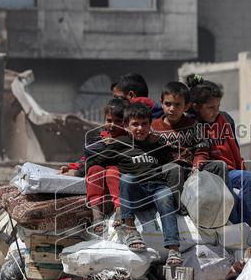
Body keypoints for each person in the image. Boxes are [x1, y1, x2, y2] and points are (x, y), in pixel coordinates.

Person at [85, 103, 183, 266]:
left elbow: (173, 160)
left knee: (165, 194)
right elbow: (93, 163)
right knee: (127, 179)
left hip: (156, 189)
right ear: (126, 126)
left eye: (144, 124)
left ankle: (173, 249)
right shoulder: (119, 144)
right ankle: (131, 230)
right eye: (135, 124)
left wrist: (161, 143)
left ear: (150, 125)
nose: (140, 128)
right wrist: (75, 170)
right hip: (136, 192)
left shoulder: (156, 144)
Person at [187, 76, 251, 225]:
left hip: (231, 173)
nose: (216, 111)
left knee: (248, 178)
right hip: (210, 175)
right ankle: (236, 224)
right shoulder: (192, 125)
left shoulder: (225, 119)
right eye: (211, 108)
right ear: (196, 107)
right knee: (223, 174)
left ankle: (246, 224)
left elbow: (235, 149)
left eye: (218, 106)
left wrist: (241, 166)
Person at [83, 97, 130, 231]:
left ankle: (120, 210)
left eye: (118, 121)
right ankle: (96, 215)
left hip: (118, 170)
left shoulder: (128, 138)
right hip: (99, 168)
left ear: (125, 122)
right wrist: (73, 167)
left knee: (112, 172)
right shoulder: (100, 138)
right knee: (94, 169)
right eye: (109, 120)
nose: (112, 125)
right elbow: (86, 157)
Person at [151, 81, 204, 189]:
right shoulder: (153, 127)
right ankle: (178, 205)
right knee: (175, 170)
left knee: (218, 166)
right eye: (168, 104)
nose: (172, 109)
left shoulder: (193, 125)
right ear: (161, 103)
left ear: (186, 106)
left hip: (191, 169)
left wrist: (198, 162)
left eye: (177, 104)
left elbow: (202, 147)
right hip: (168, 171)